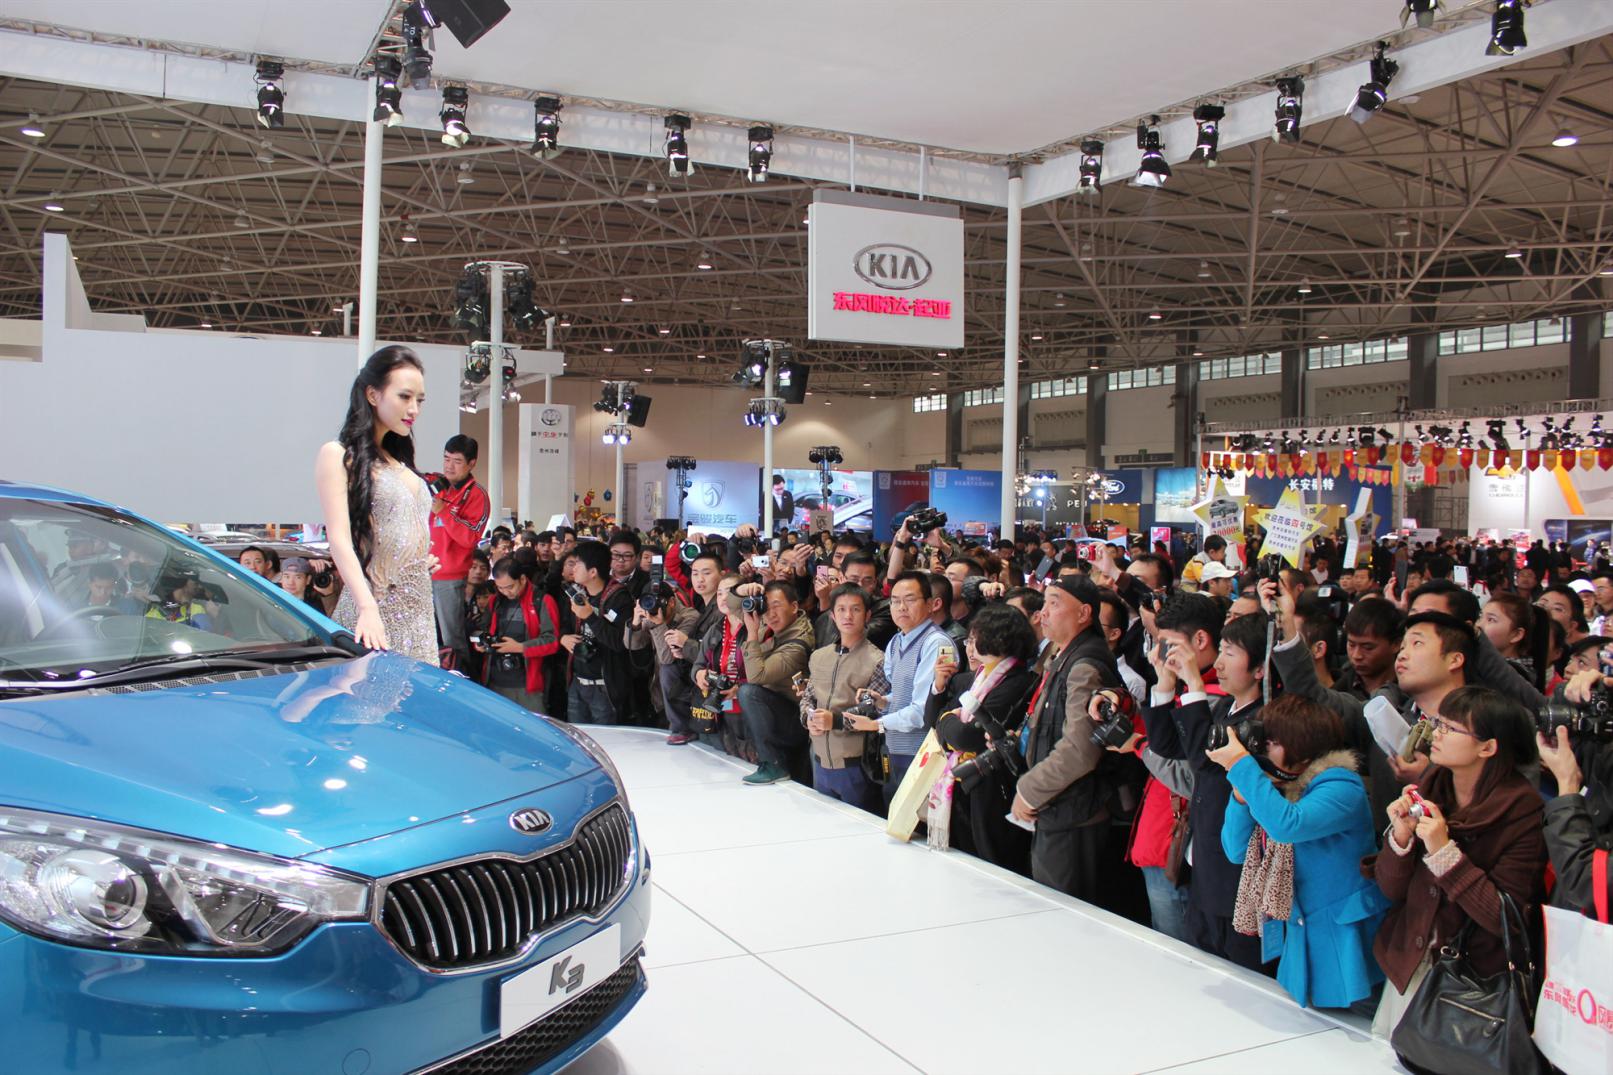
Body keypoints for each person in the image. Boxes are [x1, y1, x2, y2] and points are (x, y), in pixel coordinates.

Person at [1370, 686, 1546, 1038]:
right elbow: (1390, 890)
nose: (1436, 734)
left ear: (1488, 747)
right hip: (1411, 962)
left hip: (1472, 985)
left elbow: (1504, 919)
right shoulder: (1431, 788)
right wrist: (1400, 839)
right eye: (1437, 723)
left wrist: (1444, 853)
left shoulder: (1522, 812)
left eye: (1451, 728)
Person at [1208, 695, 1389, 1010]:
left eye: (1272, 741)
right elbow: (1236, 851)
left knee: (1360, 1031)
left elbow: (1287, 825)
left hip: (1347, 941)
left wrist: (1241, 766)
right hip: (1303, 936)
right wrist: (1240, 795)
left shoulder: (1342, 786)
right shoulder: (1272, 788)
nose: (1262, 749)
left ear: (1302, 746)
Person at [1148, 606, 1270, 970]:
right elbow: (1168, 746)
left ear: (1260, 669)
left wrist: (1195, 687)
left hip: (1235, 874)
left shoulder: (1264, 720)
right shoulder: (1226, 708)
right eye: (1221, 651)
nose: (1218, 663)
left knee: (1240, 973)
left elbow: (1206, 760)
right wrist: (1165, 684)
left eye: (1230, 654)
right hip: (1205, 863)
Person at [314, 346, 437, 662]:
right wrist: (367, 607)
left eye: (420, 400)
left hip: (418, 611)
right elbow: (339, 539)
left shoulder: (400, 462)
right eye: (405, 397)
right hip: (374, 610)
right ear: (372, 394)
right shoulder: (338, 455)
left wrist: (414, 559)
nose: (414, 409)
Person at [1012, 575, 1128, 902]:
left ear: (1084, 613)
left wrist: (1029, 790)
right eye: (1044, 603)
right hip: (1060, 807)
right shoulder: (1065, 656)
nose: (1044, 613)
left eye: (1054, 603)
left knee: (1061, 910)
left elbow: (1080, 749)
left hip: (1074, 811)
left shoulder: (1085, 665)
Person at [926, 602, 1038, 873]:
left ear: (998, 638)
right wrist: (941, 698)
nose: (971, 645)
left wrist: (946, 719)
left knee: (992, 863)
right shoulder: (972, 679)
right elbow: (933, 720)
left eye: (977, 637)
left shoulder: (1018, 682)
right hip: (961, 781)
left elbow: (966, 736)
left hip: (993, 788)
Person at [844, 572, 949, 803]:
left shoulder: (935, 642)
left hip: (922, 751)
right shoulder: (896, 640)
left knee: (912, 818)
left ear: (930, 604)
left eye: (910, 600)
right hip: (895, 748)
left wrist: (875, 724)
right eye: (895, 600)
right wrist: (884, 701)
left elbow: (921, 711)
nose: (901, 607)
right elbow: (903, 694)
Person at [801, 583, 885, 811]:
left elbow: (873, 708)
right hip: (819, 760)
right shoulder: (819, 657)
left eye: (856, 609)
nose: (848, 615)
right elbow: (808, 697)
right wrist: (808, 718)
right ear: (832, 616)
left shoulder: (878, 660)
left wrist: (836, 721)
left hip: (856, 764)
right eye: (841, 609)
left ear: (867, 615)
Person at [734, 580, 816, 785]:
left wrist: (752, 633)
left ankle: (773, 764)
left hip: (798, 721)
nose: (770, 614)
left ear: (794, 607)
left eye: (776, 606)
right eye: (766, 607)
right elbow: (731, 605)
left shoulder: (798, 643)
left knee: (748, 693)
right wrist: (741, 590)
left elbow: (757, 676)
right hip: (779, 710)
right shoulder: (776, 628)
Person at [425, 435, 490, 671]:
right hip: (424, 572)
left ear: (472, 463)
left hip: (449, 577)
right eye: (446, 459)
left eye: (457, 461)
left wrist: (443, 511)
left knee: (452, 638)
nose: (449, 466)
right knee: (426, 635)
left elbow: (470, 537)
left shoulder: (477, 495)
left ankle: (459, 679)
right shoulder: (437, 485)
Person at [648, 550, 724, 745]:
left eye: (707, 573)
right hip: (700, 673)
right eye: (695, 573)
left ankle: (682, 728)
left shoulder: (721, 608)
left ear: (722, 575)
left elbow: (719, 652)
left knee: (669, 669)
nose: (700, 579)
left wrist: (685, 643)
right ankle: (681, 727)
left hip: (718, 676)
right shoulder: (706, 605)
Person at [560, 540, 634, 725]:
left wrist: (590, 616)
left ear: (592, 572)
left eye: (578, 563)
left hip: (605, 686)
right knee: (576, 735)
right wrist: (563, 638)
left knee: (605, 738)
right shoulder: (578, 594)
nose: (573, 568)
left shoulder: (619, 597)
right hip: (577, 681)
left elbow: (620, 642)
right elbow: (564, 625)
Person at [475, 556, 560, 713]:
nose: (506, 592)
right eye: (500, 588)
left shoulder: (542, 600)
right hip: (494, 680)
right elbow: (482, 630)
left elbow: (552, 641)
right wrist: (481, 643)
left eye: (510, 587)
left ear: (522, 579)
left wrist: (521, 647)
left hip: (527, 686)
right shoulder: (495, 601)